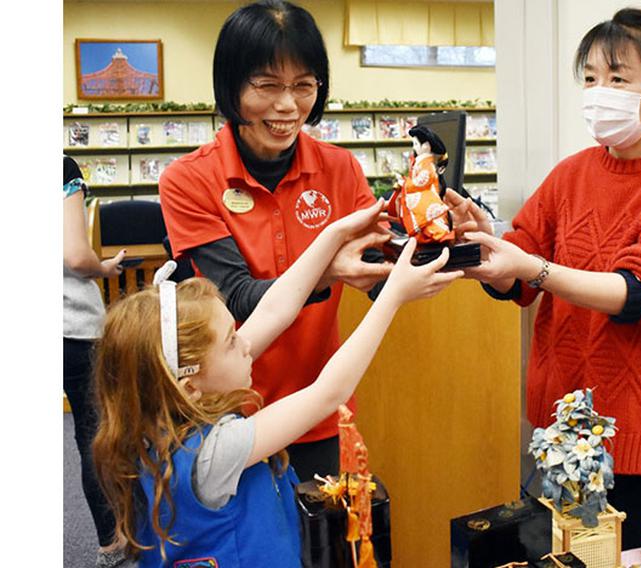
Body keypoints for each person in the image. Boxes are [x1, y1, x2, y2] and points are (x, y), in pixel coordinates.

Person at [445, 7, 641, 548]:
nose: (600, 93)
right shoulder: (571, 172)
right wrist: (490, 248)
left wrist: (534, 268)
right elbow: (522, 275)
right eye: (592, 79)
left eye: (619, 80)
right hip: (563, 432)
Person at [92, 199, 462, 566]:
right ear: (188, 387)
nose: (246, 343)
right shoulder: (212, 455)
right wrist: (393, 296)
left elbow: (273, 309)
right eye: (231, 340)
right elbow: (328, 393)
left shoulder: (167, 417)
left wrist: (333, 234)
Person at [158, 0, 392, 481]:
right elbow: (238, 298)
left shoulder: (339, 168)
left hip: (321, 407)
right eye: (267, 85)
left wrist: (430, 235)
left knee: (330, 548)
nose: (288, 106)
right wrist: (329, 270)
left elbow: (376, 273)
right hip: (230, 419)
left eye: (303, 86)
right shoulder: (189, 180)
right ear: (232, 85)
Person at [63, 155, 128, 567]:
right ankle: (111, 542)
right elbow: (75, 256)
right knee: (93, 432)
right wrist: (104, 267)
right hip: (70, 325)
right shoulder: (60, 169)